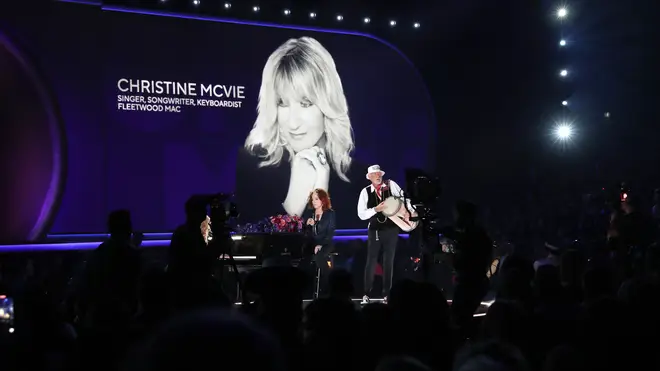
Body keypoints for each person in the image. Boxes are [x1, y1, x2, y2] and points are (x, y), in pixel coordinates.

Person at [236, 37, 364, 228]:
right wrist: (295, 197)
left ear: (327, 104)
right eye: (282, 103)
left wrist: (322, 188)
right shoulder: (253, 165)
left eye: (305, 104)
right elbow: (249, 243)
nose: (293, 122)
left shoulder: (359, 177)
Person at [357, 165, 412, 303]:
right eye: (374, 174)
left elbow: (404, 198)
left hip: (391, 229)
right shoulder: (365, 192)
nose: (378, 176)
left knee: (389, 262)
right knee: (371, 261)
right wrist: (376, 209)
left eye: (379, 173)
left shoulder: (390, 185)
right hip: (375, 229)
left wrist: (408, 212)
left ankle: (387, 294)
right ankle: (366, 293)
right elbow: (361, 214)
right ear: (369, 177)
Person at [306, 188, 336, 296]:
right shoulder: (310, 213)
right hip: (312, 244)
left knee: (320, 256)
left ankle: (328, 286)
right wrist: (307, 225)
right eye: (312, 199)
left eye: (316, 199)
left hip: (326, 243)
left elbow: (330, 233)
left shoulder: (330, 214)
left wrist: (321, 245)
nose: (314, 201)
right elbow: (307, 234)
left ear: (323, 200)